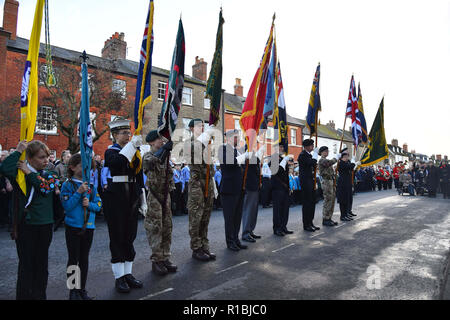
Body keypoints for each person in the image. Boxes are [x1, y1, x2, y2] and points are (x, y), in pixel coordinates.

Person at [1, 140, 58, 300]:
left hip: (45, 224)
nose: (46, 160)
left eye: (47, 156)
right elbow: (4, 168)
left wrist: (29, 173)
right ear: (30, 158)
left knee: (41, 264)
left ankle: (40, 296)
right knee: (26, 265)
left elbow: (46, 188)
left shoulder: (51, 174)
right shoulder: (19, 174)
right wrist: (18, 150)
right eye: (41, 157)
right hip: (26, 225)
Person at [103, 118, 144, 293]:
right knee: (118, 235)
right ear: (114, 135)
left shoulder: (134, 151)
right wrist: (131, 147)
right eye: (123, 133)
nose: (128, 135)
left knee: (130, 234)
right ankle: (119, 276)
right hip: (117, 195)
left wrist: (143, 197)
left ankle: (128, 273)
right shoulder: (110, 151)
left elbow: (139, 174)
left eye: (128, 132)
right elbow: (117, 163)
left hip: (132, 193)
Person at [60, 153, 102, 300]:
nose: (86, 169)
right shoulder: (68, 185)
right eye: (81, 166)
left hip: (88, 227)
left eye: (88, 167)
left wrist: (89, 204)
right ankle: (73, 290)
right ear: (72, 167)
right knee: (73, 259)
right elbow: (67, 206)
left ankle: (82, 289)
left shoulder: (91, 186)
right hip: (73, 227)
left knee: (84, 259)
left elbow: (98, 205)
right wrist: (78, 193)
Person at [143, 130, 178, 275]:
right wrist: (164, 149)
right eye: (159, 140)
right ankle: (156, 260)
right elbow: (151, 163)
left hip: (166, 196)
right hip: (155, 197)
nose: (162, 141)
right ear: (151, 142)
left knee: (167, 227)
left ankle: (165, 257)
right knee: (156, 228)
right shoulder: (147, 156)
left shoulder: (166, 157)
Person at [184, 119, 216, 261]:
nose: (202, 128)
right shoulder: (188, 143)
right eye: (198, 126)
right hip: (197, 184)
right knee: (196, 217)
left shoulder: (207, 143)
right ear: (191, 128)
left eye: (203, 126)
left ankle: (204, 245)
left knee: (206, 217)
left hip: (208, 181)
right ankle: (196, 248)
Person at [218, 129, 247, 251]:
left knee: (237, 216)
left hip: (239, 188)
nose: (237, 139)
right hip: (229, 189)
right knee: (229, 218)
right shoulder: (223, 149)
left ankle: (236, 239)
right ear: (228, 138)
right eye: (235, 137)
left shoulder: (237, 151)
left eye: (238, 137)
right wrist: (244, 157)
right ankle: (230, 241)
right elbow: (229, 163)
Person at [241, 141, 265, 243]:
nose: (255, 147)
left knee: (253, 211)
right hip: (249, 187)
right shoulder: (246, 157)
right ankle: (246, 233)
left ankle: (250, 230)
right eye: (254, 145)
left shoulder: (254, 157)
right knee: (248, 210)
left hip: (255, 186)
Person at [270, 144, 292, 236]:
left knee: (285, 208)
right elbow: (276, 171)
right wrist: (284, 161)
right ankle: (277, 228)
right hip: (277, 187)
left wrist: (288, 186)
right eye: (280, 147)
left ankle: (283, 226)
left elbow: (285, 174)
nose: (282, 149)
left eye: (282, 147)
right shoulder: (273, 159)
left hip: (285, 187)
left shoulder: (282, 158)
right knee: (278, 209)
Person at [297, 139, 319, 232]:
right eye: (311, 145)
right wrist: (315, 155)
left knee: (312, 202)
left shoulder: (308, 155)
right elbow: (312, 163)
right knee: (307, 203)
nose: (312, 147)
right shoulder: (302, 155)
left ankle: (311, 222)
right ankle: (306, 224)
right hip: (306, 182)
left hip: (311, 180)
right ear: (306, 146)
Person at [318, 146, 340, 227]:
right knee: (328, 200)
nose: (327, 152)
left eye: (328, 151)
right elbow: (328, 163)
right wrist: (336, 158)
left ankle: (329, 217)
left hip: (331, 181)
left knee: (332, 200)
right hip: (326, 181)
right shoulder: (321, 160)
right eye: (326, 151)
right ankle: (326, 218)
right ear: (322, 152)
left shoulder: (327, 160)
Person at [336, 150, 358, 221]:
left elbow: (351, 170)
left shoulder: (346, 163)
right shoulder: (341, 163)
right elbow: (350, 166)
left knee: (347, 200)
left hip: (347, 184)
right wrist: (353, 162)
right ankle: (342, 216)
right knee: (343, 201)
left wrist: (355, 165)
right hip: (342, 184)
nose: (346, 158)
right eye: (345, 157)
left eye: (347, 156)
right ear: (341, 158)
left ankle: (346, 214)